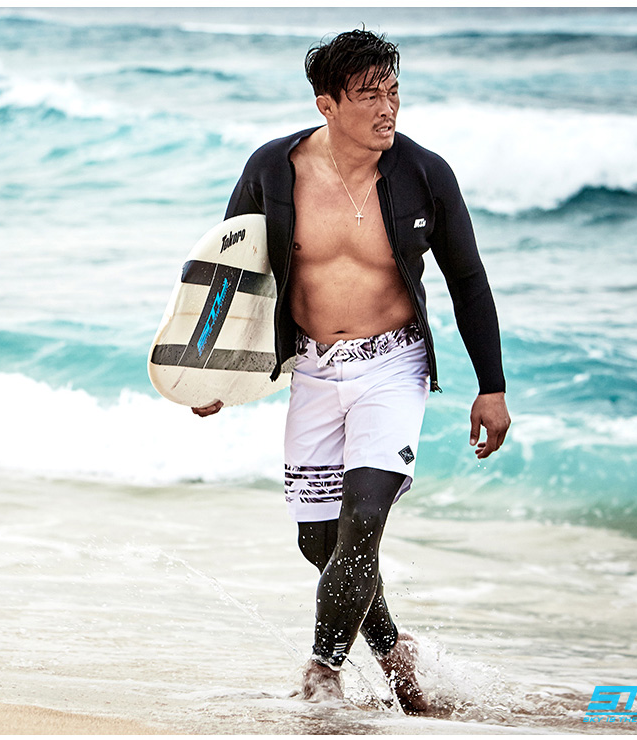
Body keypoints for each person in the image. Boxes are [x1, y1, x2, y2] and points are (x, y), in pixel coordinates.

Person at [191, 29, 511, 713]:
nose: (387, 108)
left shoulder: (424, 174)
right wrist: (214, 370)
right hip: (312, 369)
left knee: (363, 519)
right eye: (370, 95)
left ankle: (323, 671)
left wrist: (492, 386)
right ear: (327, 104)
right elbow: (232, 274)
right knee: (319, 543)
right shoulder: (274, 169)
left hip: (392, 365)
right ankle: (394, 652)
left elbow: (468, 279)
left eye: (394, 92)